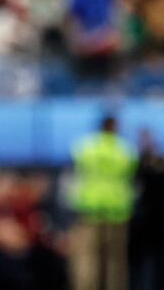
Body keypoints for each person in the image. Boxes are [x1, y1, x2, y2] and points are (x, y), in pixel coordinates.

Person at [68, 114, 137, 290]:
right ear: (115, 127)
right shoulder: (125, 150)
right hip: (117, 210)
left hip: (90, 208)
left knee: (87, 257)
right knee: (115, 260)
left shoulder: (85, 147)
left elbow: (77, 168)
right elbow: (131, 174)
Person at [130, 129, 164, 290]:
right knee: (137, 262)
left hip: (160, 219)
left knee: (162, 260)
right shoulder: (134, 162)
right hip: (139, 219)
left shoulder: (163, 162)